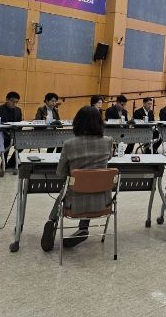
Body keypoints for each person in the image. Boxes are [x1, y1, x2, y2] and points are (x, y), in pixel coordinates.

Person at [40, 106, 114, 251]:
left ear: (77, 123)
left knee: (70, 186)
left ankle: (51, 221)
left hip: (74, 203)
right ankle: (83, 227)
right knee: (91, 183)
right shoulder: (108, 141)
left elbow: (60, 173)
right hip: (102, 201)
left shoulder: (69, 144)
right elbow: (109, 157)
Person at [0, 91, 23, 167]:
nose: (14, 104)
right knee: (7, 141)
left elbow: (20, 124)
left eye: (16, 102)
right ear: (7, 99)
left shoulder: (18, 110)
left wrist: (17, 132)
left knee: (23, 142)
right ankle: (4, 162)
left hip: (15, 133)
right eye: (12, 101)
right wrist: (8, 133)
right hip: (2, 134)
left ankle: (12, 162)